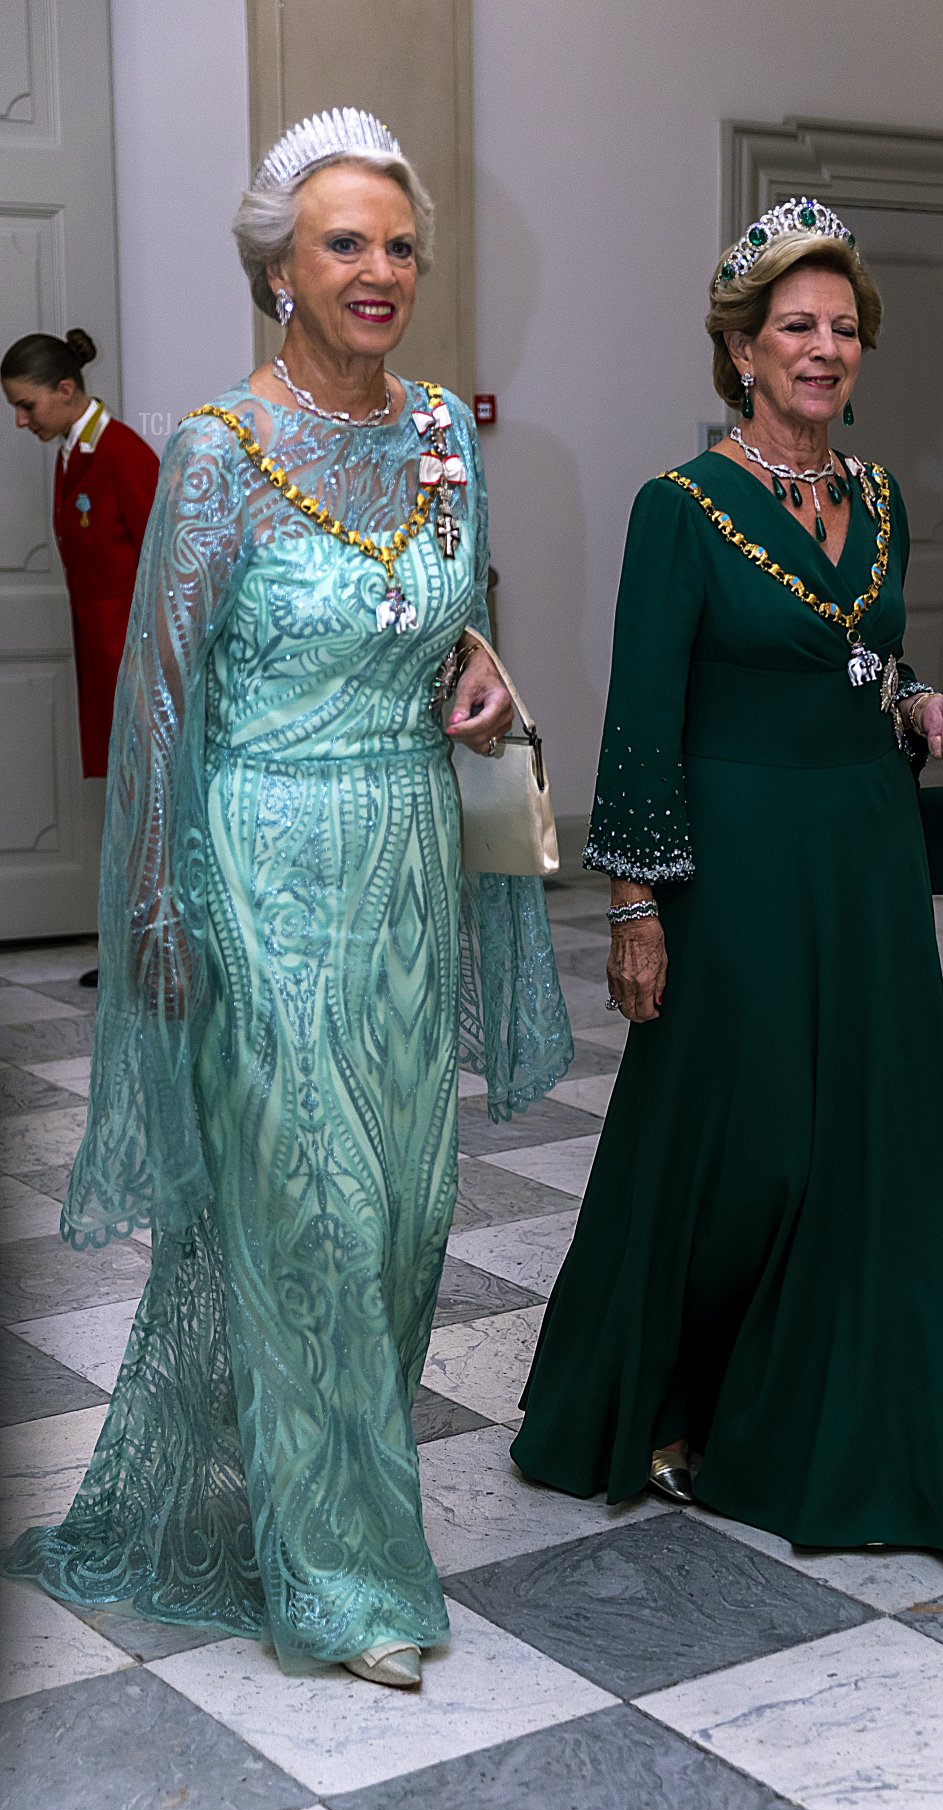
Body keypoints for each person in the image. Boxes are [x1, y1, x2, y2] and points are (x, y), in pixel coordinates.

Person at [4, 108, 572, 1689]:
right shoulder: (215, 452)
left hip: (403, 858)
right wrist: (160, 912)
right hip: (260, 862)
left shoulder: (449, 433)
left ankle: (311, 1495)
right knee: (310, 1216)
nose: (380, 270)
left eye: (398, 244)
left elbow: (448, 615)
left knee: (401, 1221)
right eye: (345, 243)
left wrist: (482, 664)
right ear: (279, 269)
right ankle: (342, 1579)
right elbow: (166, 702)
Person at [512, 198, 943, 1554]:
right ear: (740, 349)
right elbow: (641, 718)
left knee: (865, 1143)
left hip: (859, 860)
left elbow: (865, 664)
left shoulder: (884, 498)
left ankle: (834, 1421)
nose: (824, 348)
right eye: (795, 326)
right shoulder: (679, 510)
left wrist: (921, 710)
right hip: (730, 868)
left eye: (844, 328)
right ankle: (666, 1389)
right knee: (742, 1149)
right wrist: (634, 905)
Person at [3, 329, 159, 985]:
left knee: (152, 802)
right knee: (128, 802)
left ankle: (154, 952)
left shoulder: (122, 452)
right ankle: (130, 949)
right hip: (102, 661)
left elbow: (170, 565)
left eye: (27, 405)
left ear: (65, 391)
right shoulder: (73, 453)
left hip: (138, 665)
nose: (20, 420)